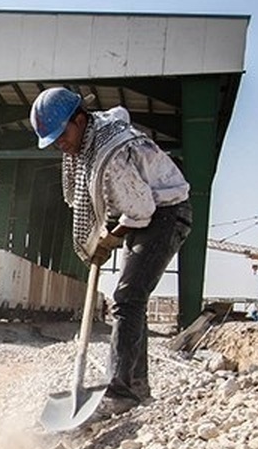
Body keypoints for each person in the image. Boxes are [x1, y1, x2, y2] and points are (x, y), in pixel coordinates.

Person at [30, 87, 193, 417]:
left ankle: (119, 391)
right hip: (148, 212)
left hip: (167, 213)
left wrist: (111, 238)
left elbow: (143, 209)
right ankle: (137, 385)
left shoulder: (111, 155)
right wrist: (110, 233)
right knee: (133, 300)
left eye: (62, 135)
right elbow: (126, 205)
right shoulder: (94, 136)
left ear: (79, 120)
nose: (60, 144)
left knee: (127, 297)